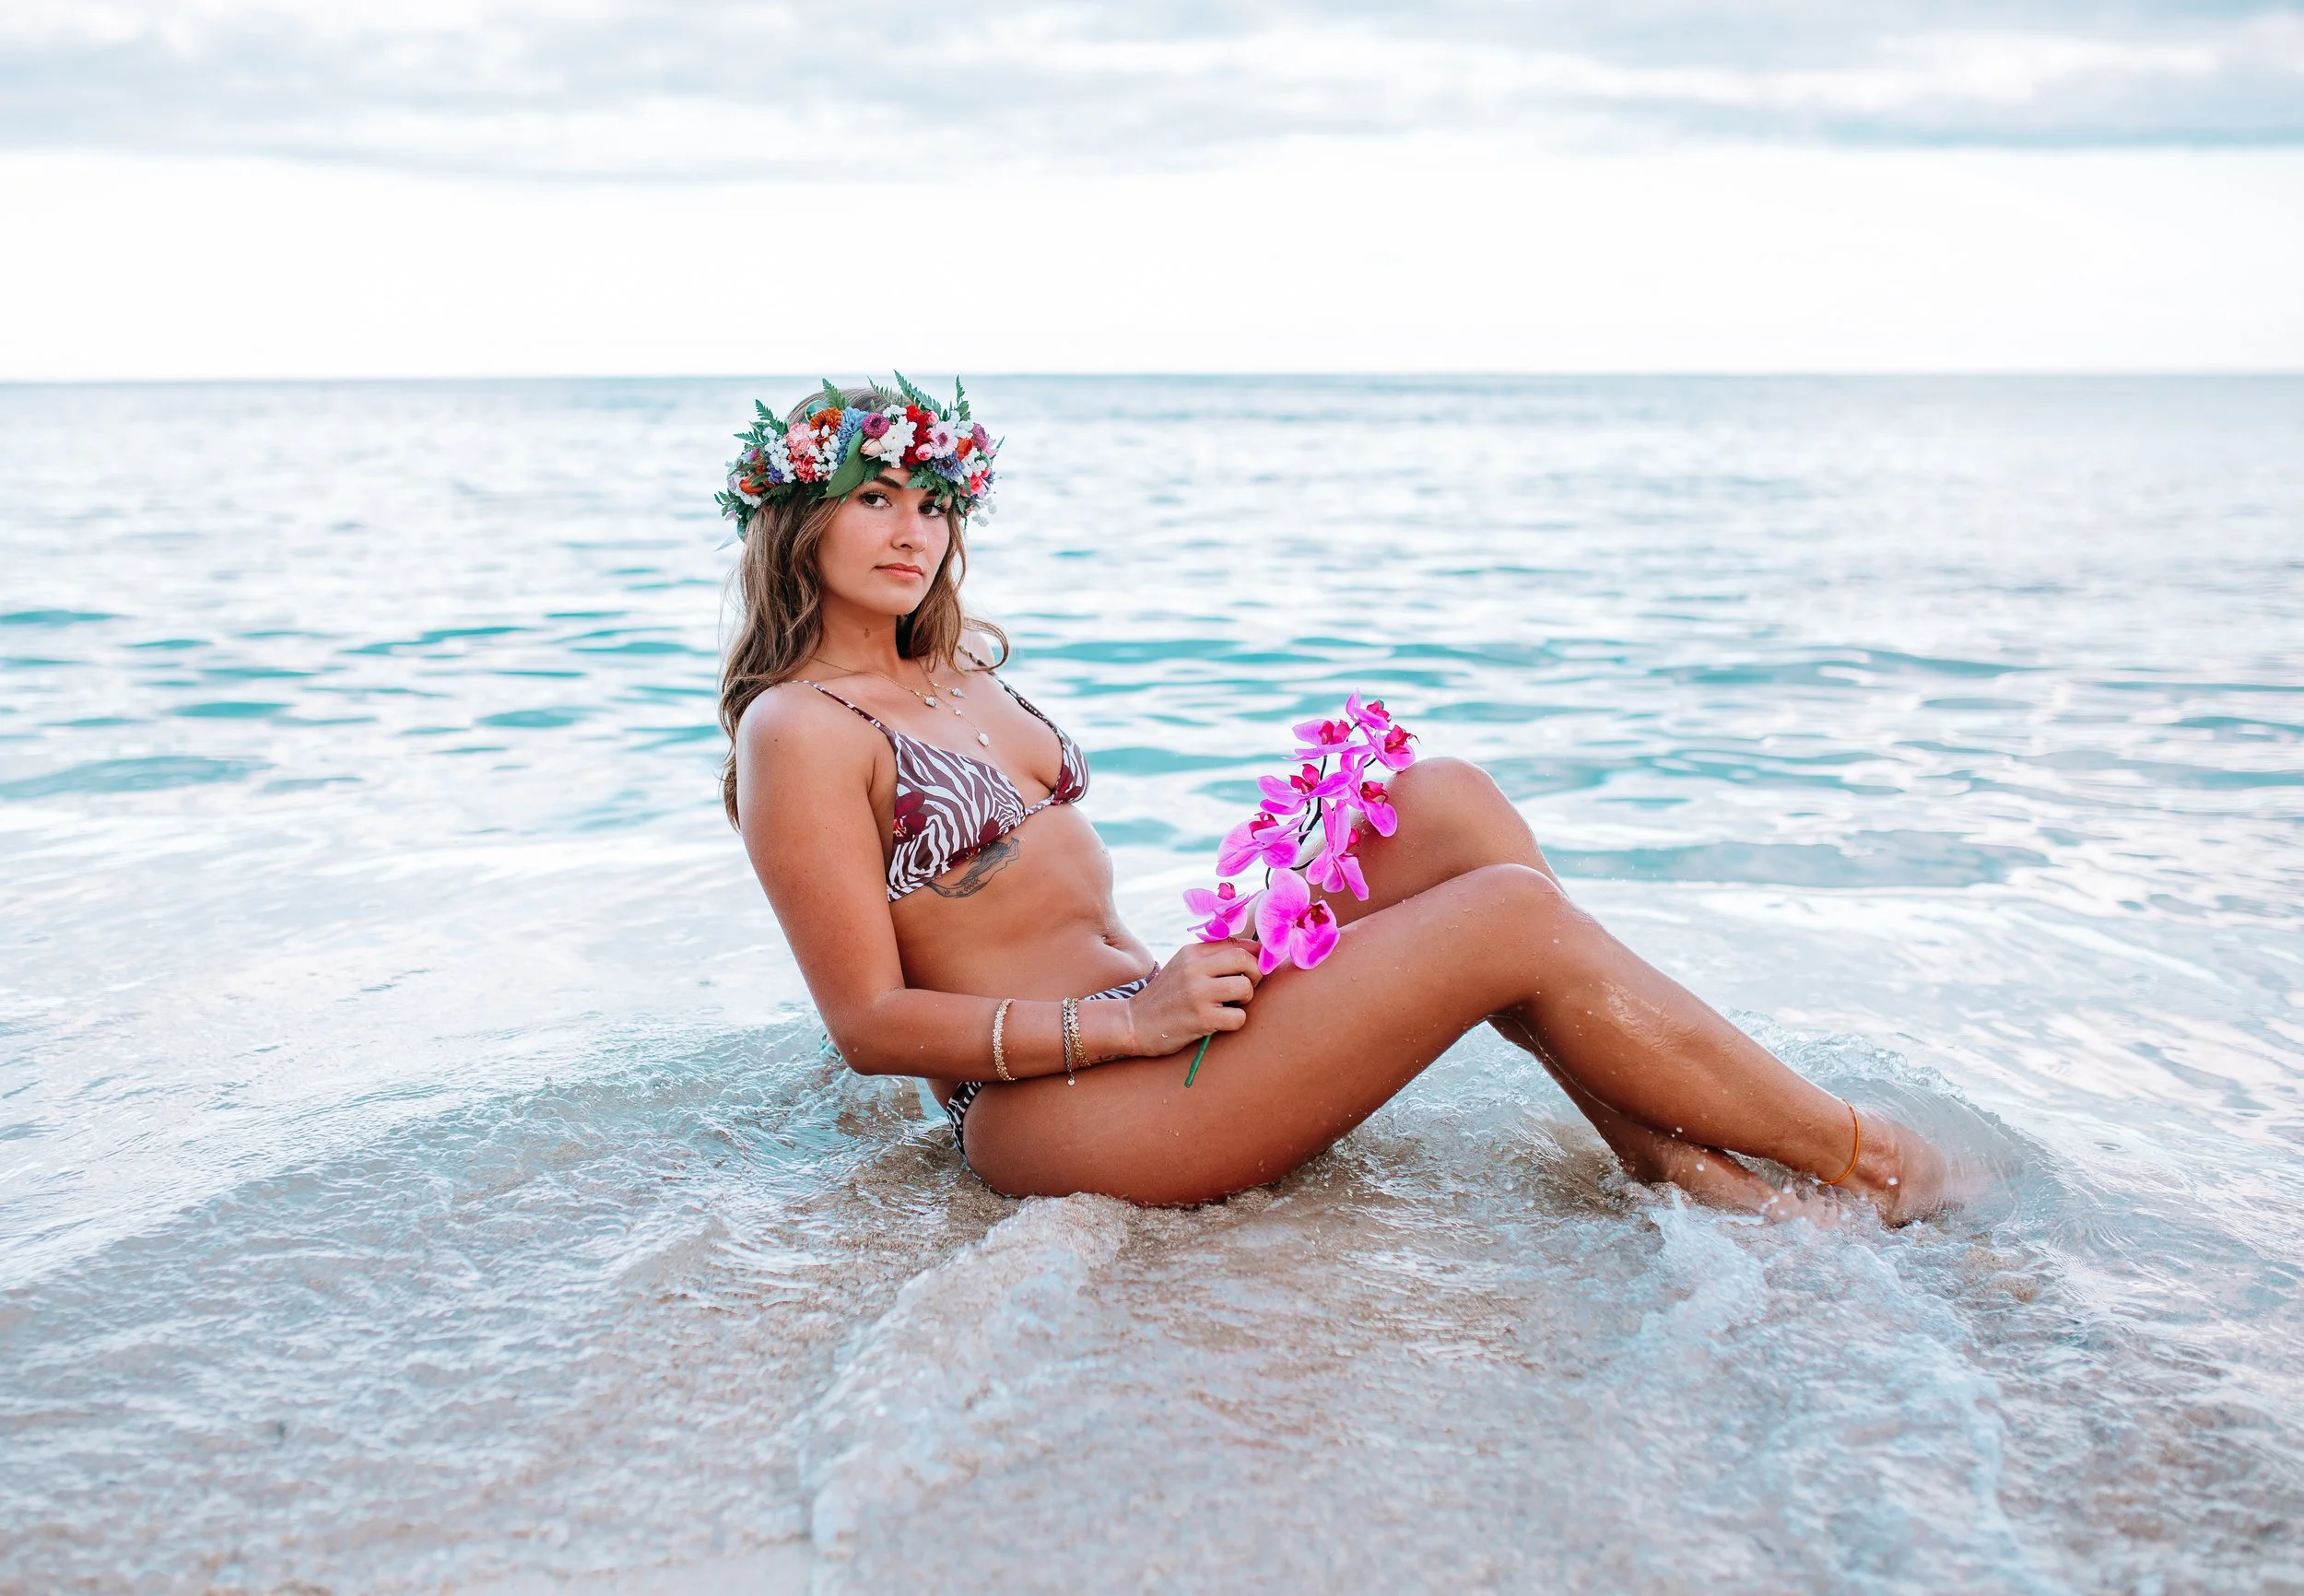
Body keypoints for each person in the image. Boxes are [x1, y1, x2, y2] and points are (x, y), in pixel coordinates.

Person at [719, 381, 1950, 1221]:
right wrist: (1134, 1025)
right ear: (798, 519)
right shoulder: (800, 728)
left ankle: (1651, 1147)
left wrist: (1173, 992)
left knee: (1446, 803)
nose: (912, 532)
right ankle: (1865, 1157)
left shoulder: (956, 677)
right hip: (1061, 1106)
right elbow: (870, 1024)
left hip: (1163, 1020)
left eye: (933, 505)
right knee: (1508, 916)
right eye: (875, 498)